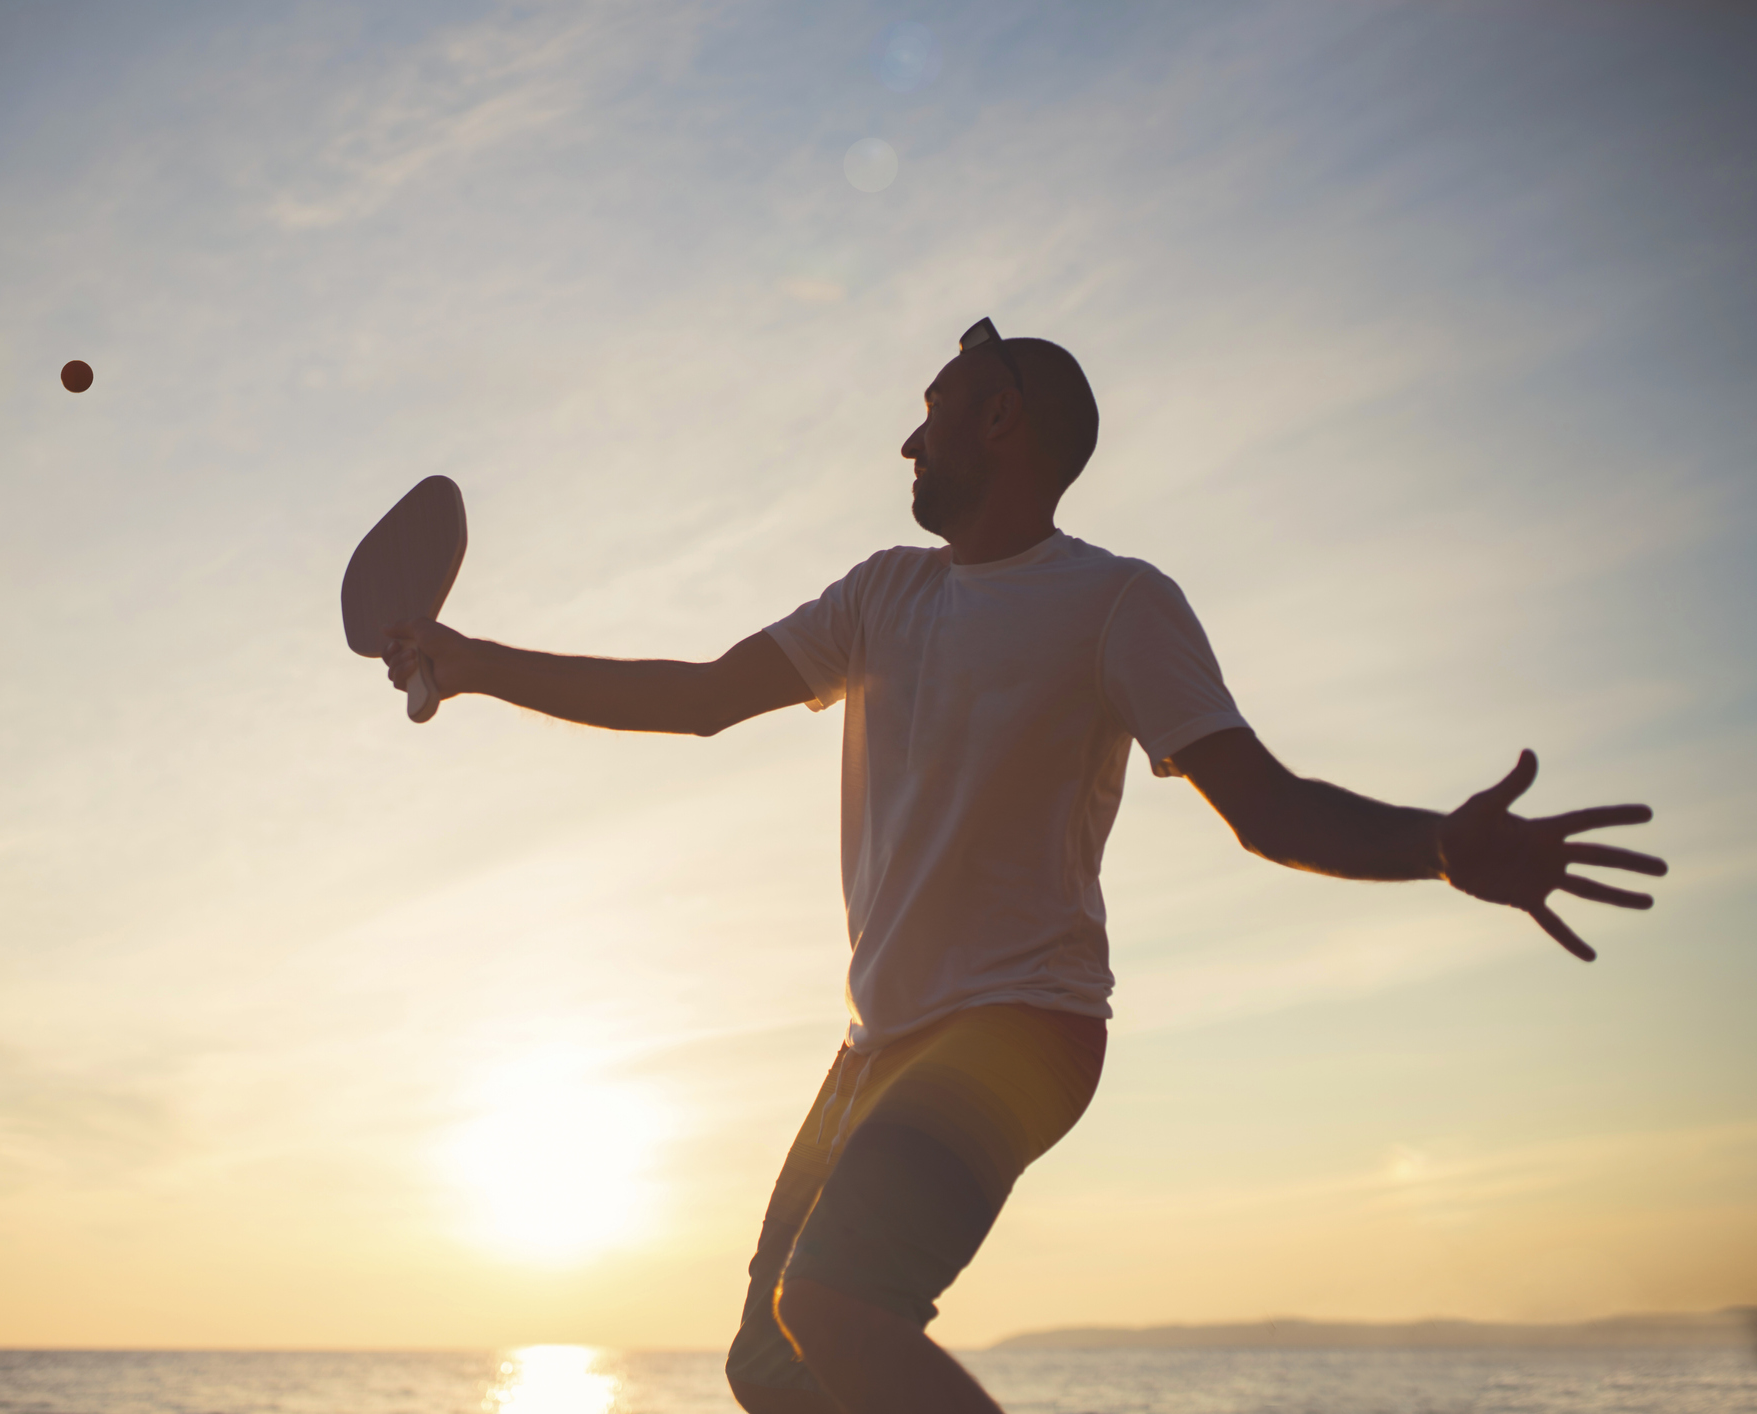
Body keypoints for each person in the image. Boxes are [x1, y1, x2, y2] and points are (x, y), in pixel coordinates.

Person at [381, 318, 1666, 1414]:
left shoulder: (1118, 603)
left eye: (930, 414)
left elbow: (1266, 808)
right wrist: (472, 659)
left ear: (1003, 422)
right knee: (769, 1359)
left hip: (1024, 1024)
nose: (907, 442)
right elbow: (699, 696)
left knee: (830, 1296)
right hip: (878, 1041)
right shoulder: (882, 596)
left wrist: (1441, 843)